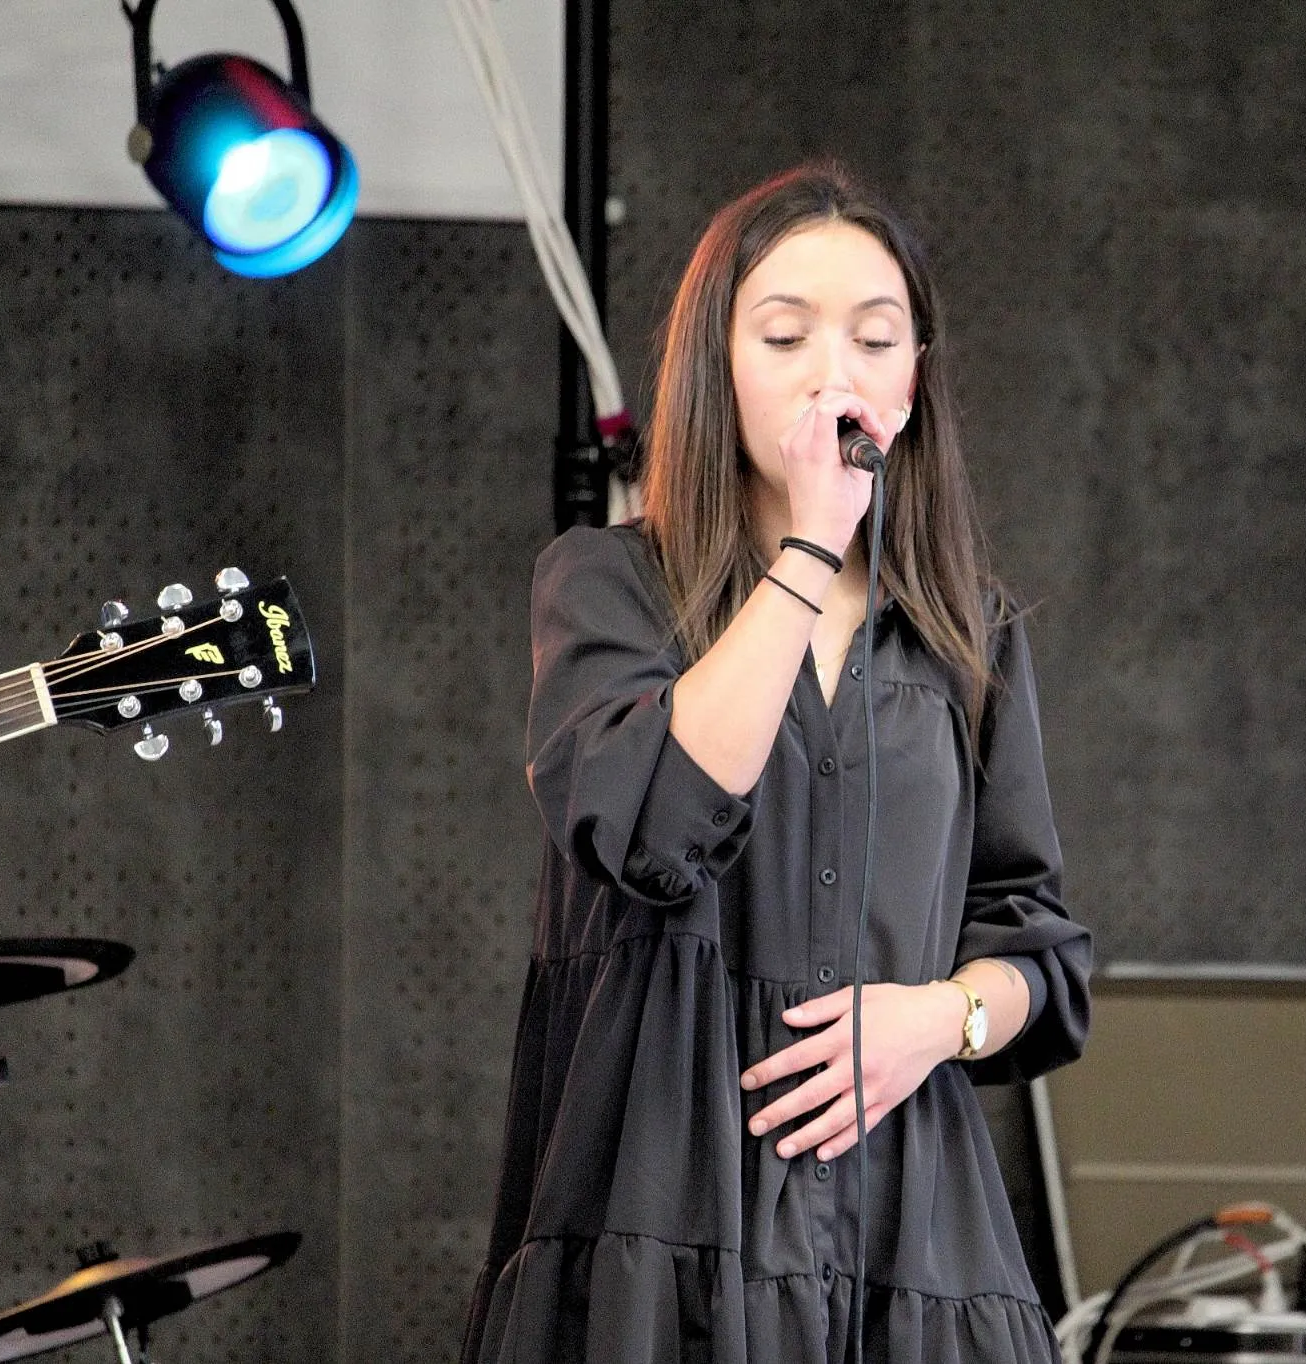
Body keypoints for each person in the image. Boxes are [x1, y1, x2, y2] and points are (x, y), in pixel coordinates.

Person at [461, 161, 1094, 1364]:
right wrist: (809, 548)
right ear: (719, 364)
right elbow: (655, 829)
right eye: (785, 334)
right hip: (662, 1198)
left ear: (913, 380)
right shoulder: (608, 584)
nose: (832, 374)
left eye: (874, 339)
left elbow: (1040, 949)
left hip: (908, 1230)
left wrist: (938, 1017)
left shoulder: (969, 632)